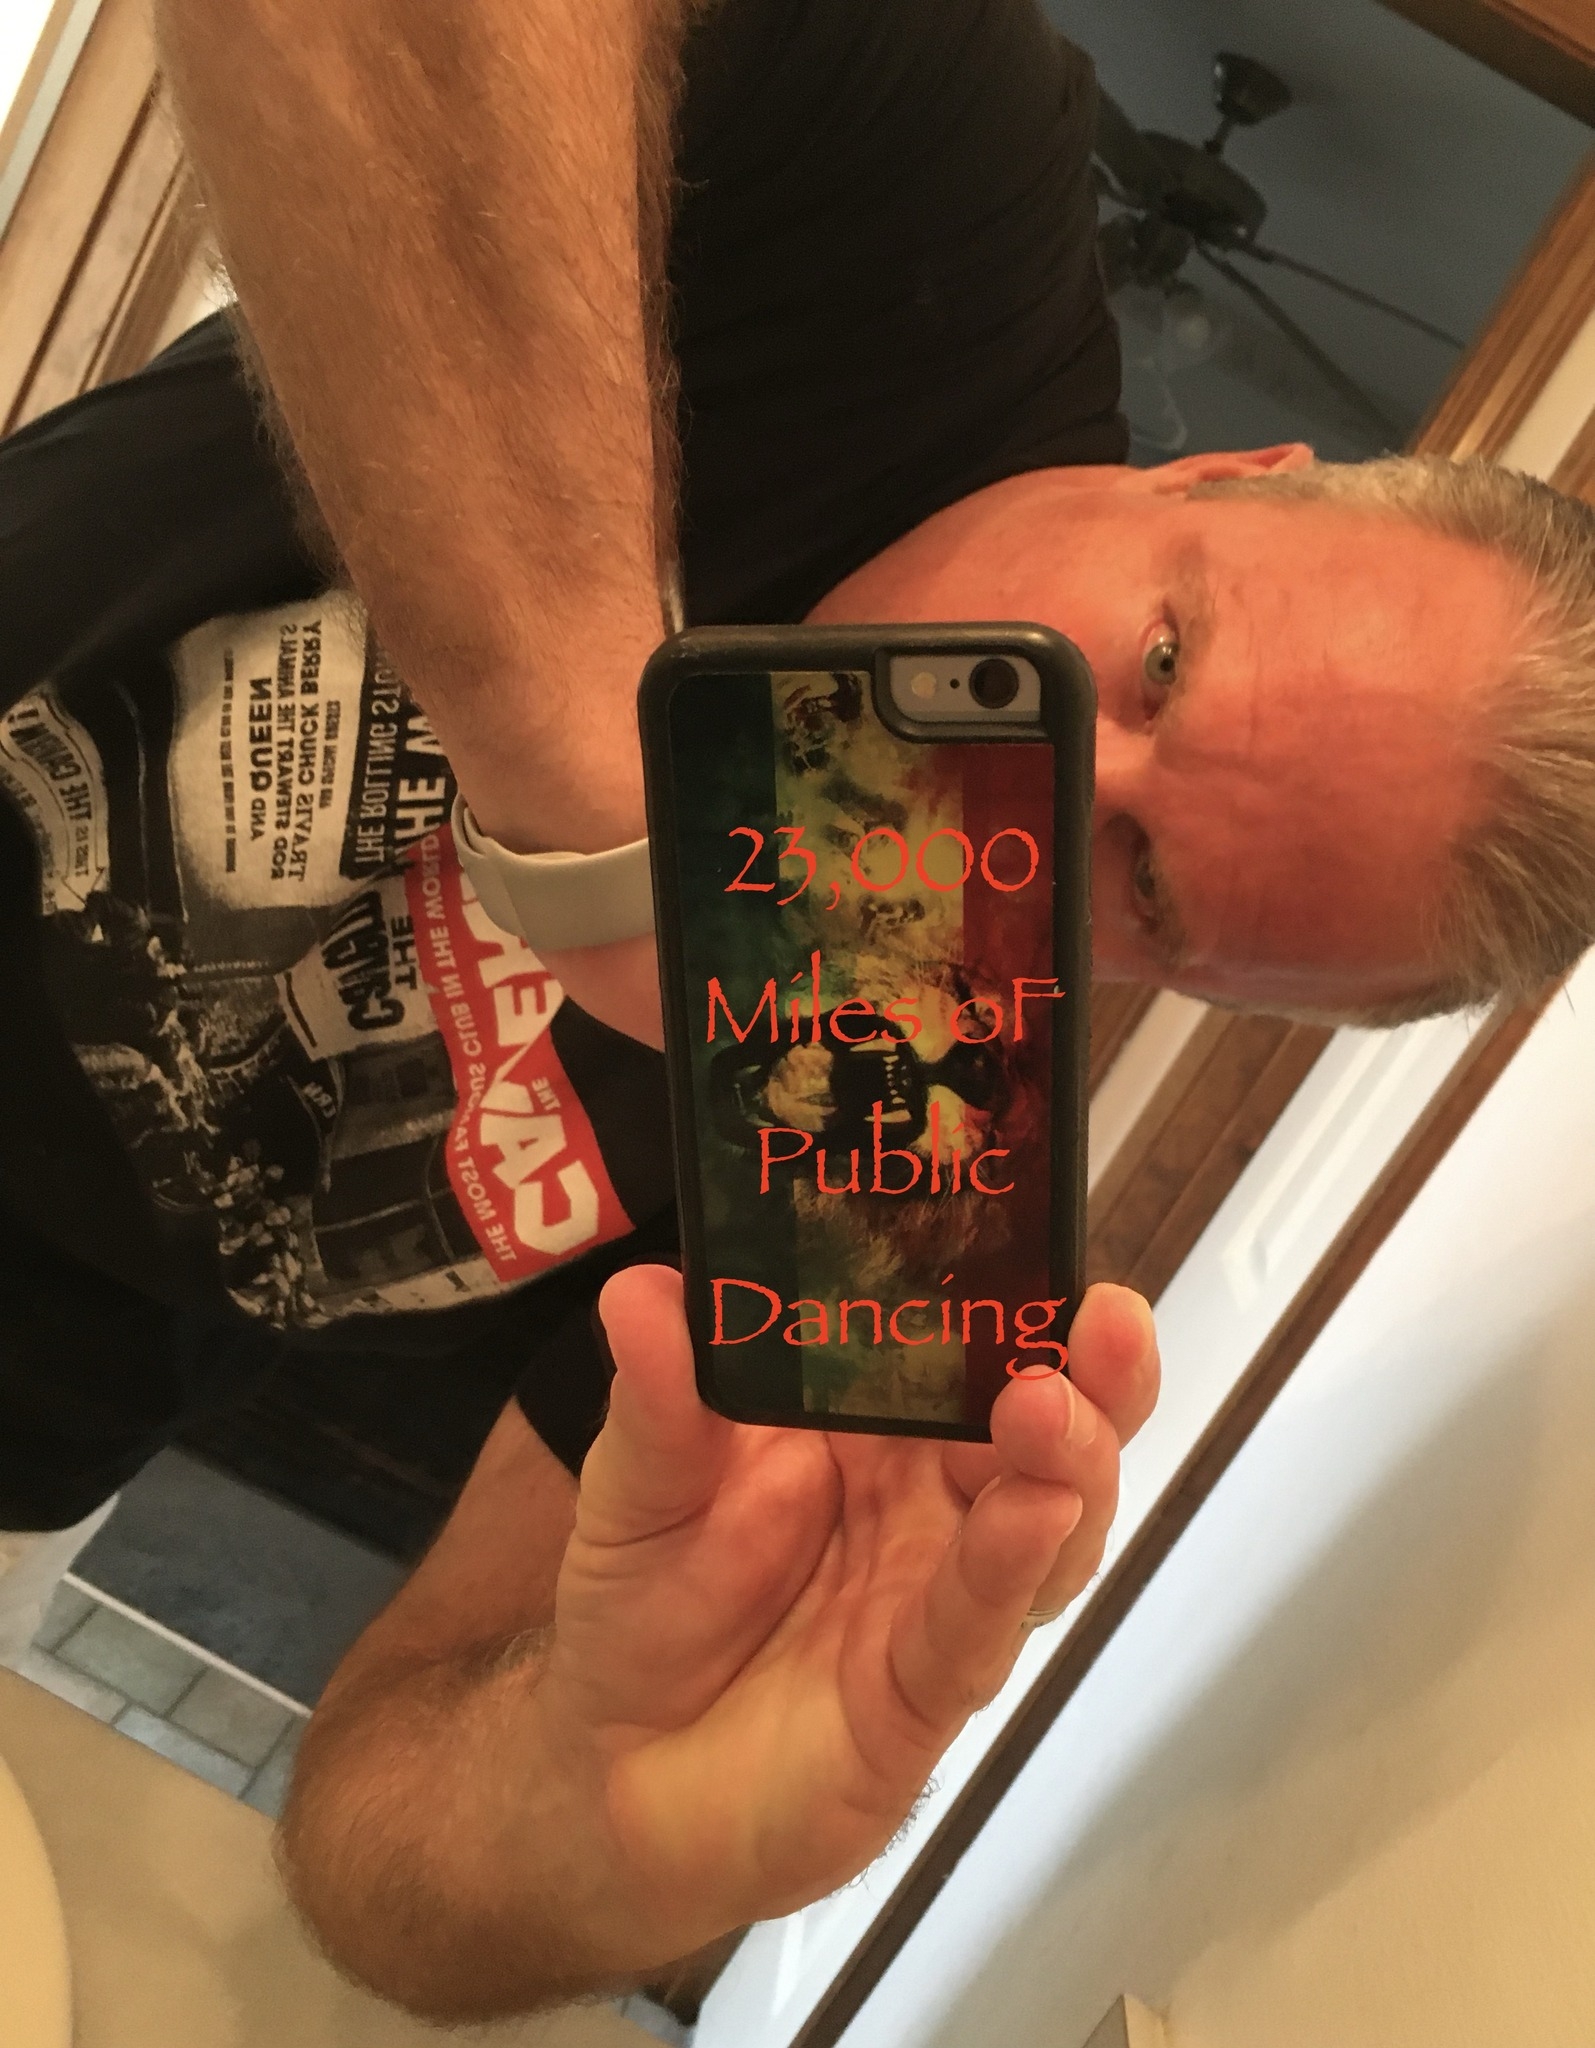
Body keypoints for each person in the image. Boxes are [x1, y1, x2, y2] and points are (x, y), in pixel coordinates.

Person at [0, 0, 1587, 2020]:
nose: (1059, 778)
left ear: (1189, 983)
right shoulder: (924, 198)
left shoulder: (891, 1144)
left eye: (1151, 887)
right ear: (1233, 469)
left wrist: (582, 1817)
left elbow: (381, 1857)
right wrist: (607, 819)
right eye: (1168, 657)